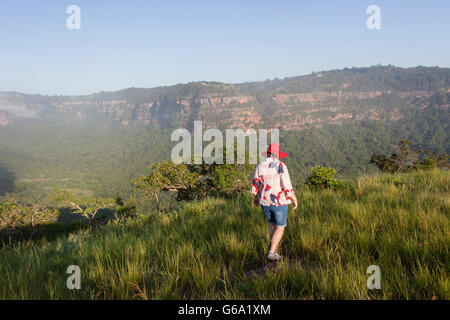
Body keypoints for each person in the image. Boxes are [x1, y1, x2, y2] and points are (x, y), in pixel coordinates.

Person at [251, 143, 298, 261]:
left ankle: (272, 248)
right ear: (278, 154)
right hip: (279, 201)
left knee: (272, 224)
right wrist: (293, 198)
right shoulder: (281, 165)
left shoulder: (260, 165)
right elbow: (286, 184)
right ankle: (272, 252)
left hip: (264, 201)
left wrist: (255, 198)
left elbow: (256, 184)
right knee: (280, 226)